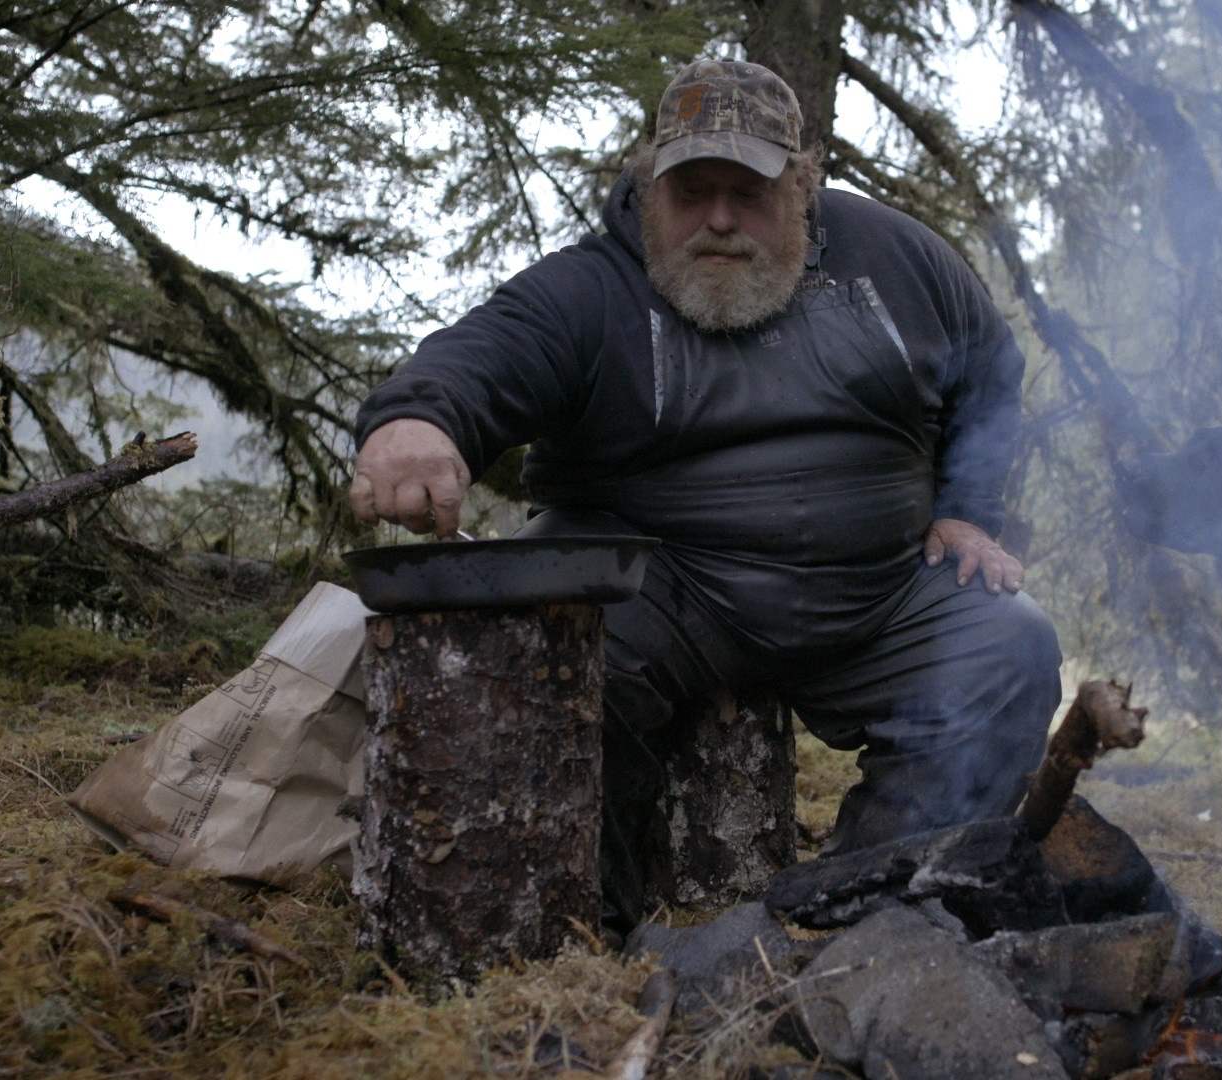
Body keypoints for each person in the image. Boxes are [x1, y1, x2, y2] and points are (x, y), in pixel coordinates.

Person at [350, 58, 1063, 932]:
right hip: (663, 593)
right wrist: (415, 422)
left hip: (876, 593)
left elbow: (990, 369)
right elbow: (480, 358)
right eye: (692, 192)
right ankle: (579, 936)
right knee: (555, 649)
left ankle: (877, 908)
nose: (719, 219)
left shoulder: (896, 258)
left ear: (801, 184)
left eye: (748, 193)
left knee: (1009, 646)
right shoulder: (593, 287)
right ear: (651, 183)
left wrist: (967, 508)